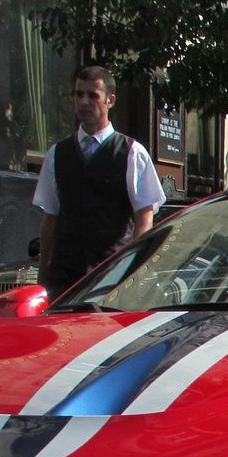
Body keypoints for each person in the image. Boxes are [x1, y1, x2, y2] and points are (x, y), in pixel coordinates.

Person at [33, 66, 166, 296]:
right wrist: (43, 275)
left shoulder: (132, 153)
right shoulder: (57, 154)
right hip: (63, 279)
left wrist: (133, 273)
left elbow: (144, 219)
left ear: (110, 100)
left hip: (110, 277)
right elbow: (50, 219)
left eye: (92, 95)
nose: (84, 101)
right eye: (79, 94)